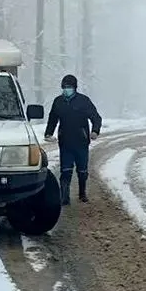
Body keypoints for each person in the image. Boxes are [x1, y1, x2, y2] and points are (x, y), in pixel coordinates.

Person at [44, 74, 102, 205]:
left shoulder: (84, 101)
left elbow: (96, 117)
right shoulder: (58, 102)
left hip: (81, 142)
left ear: (75, 88)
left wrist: (95, 131)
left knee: (82, 170)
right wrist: (48, 133)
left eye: (69, 87)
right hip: (65, 142)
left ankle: (82, 193)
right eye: (64, 87)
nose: (66, 89)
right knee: (65, 170)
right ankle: (64, 197)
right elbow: (52, 118)